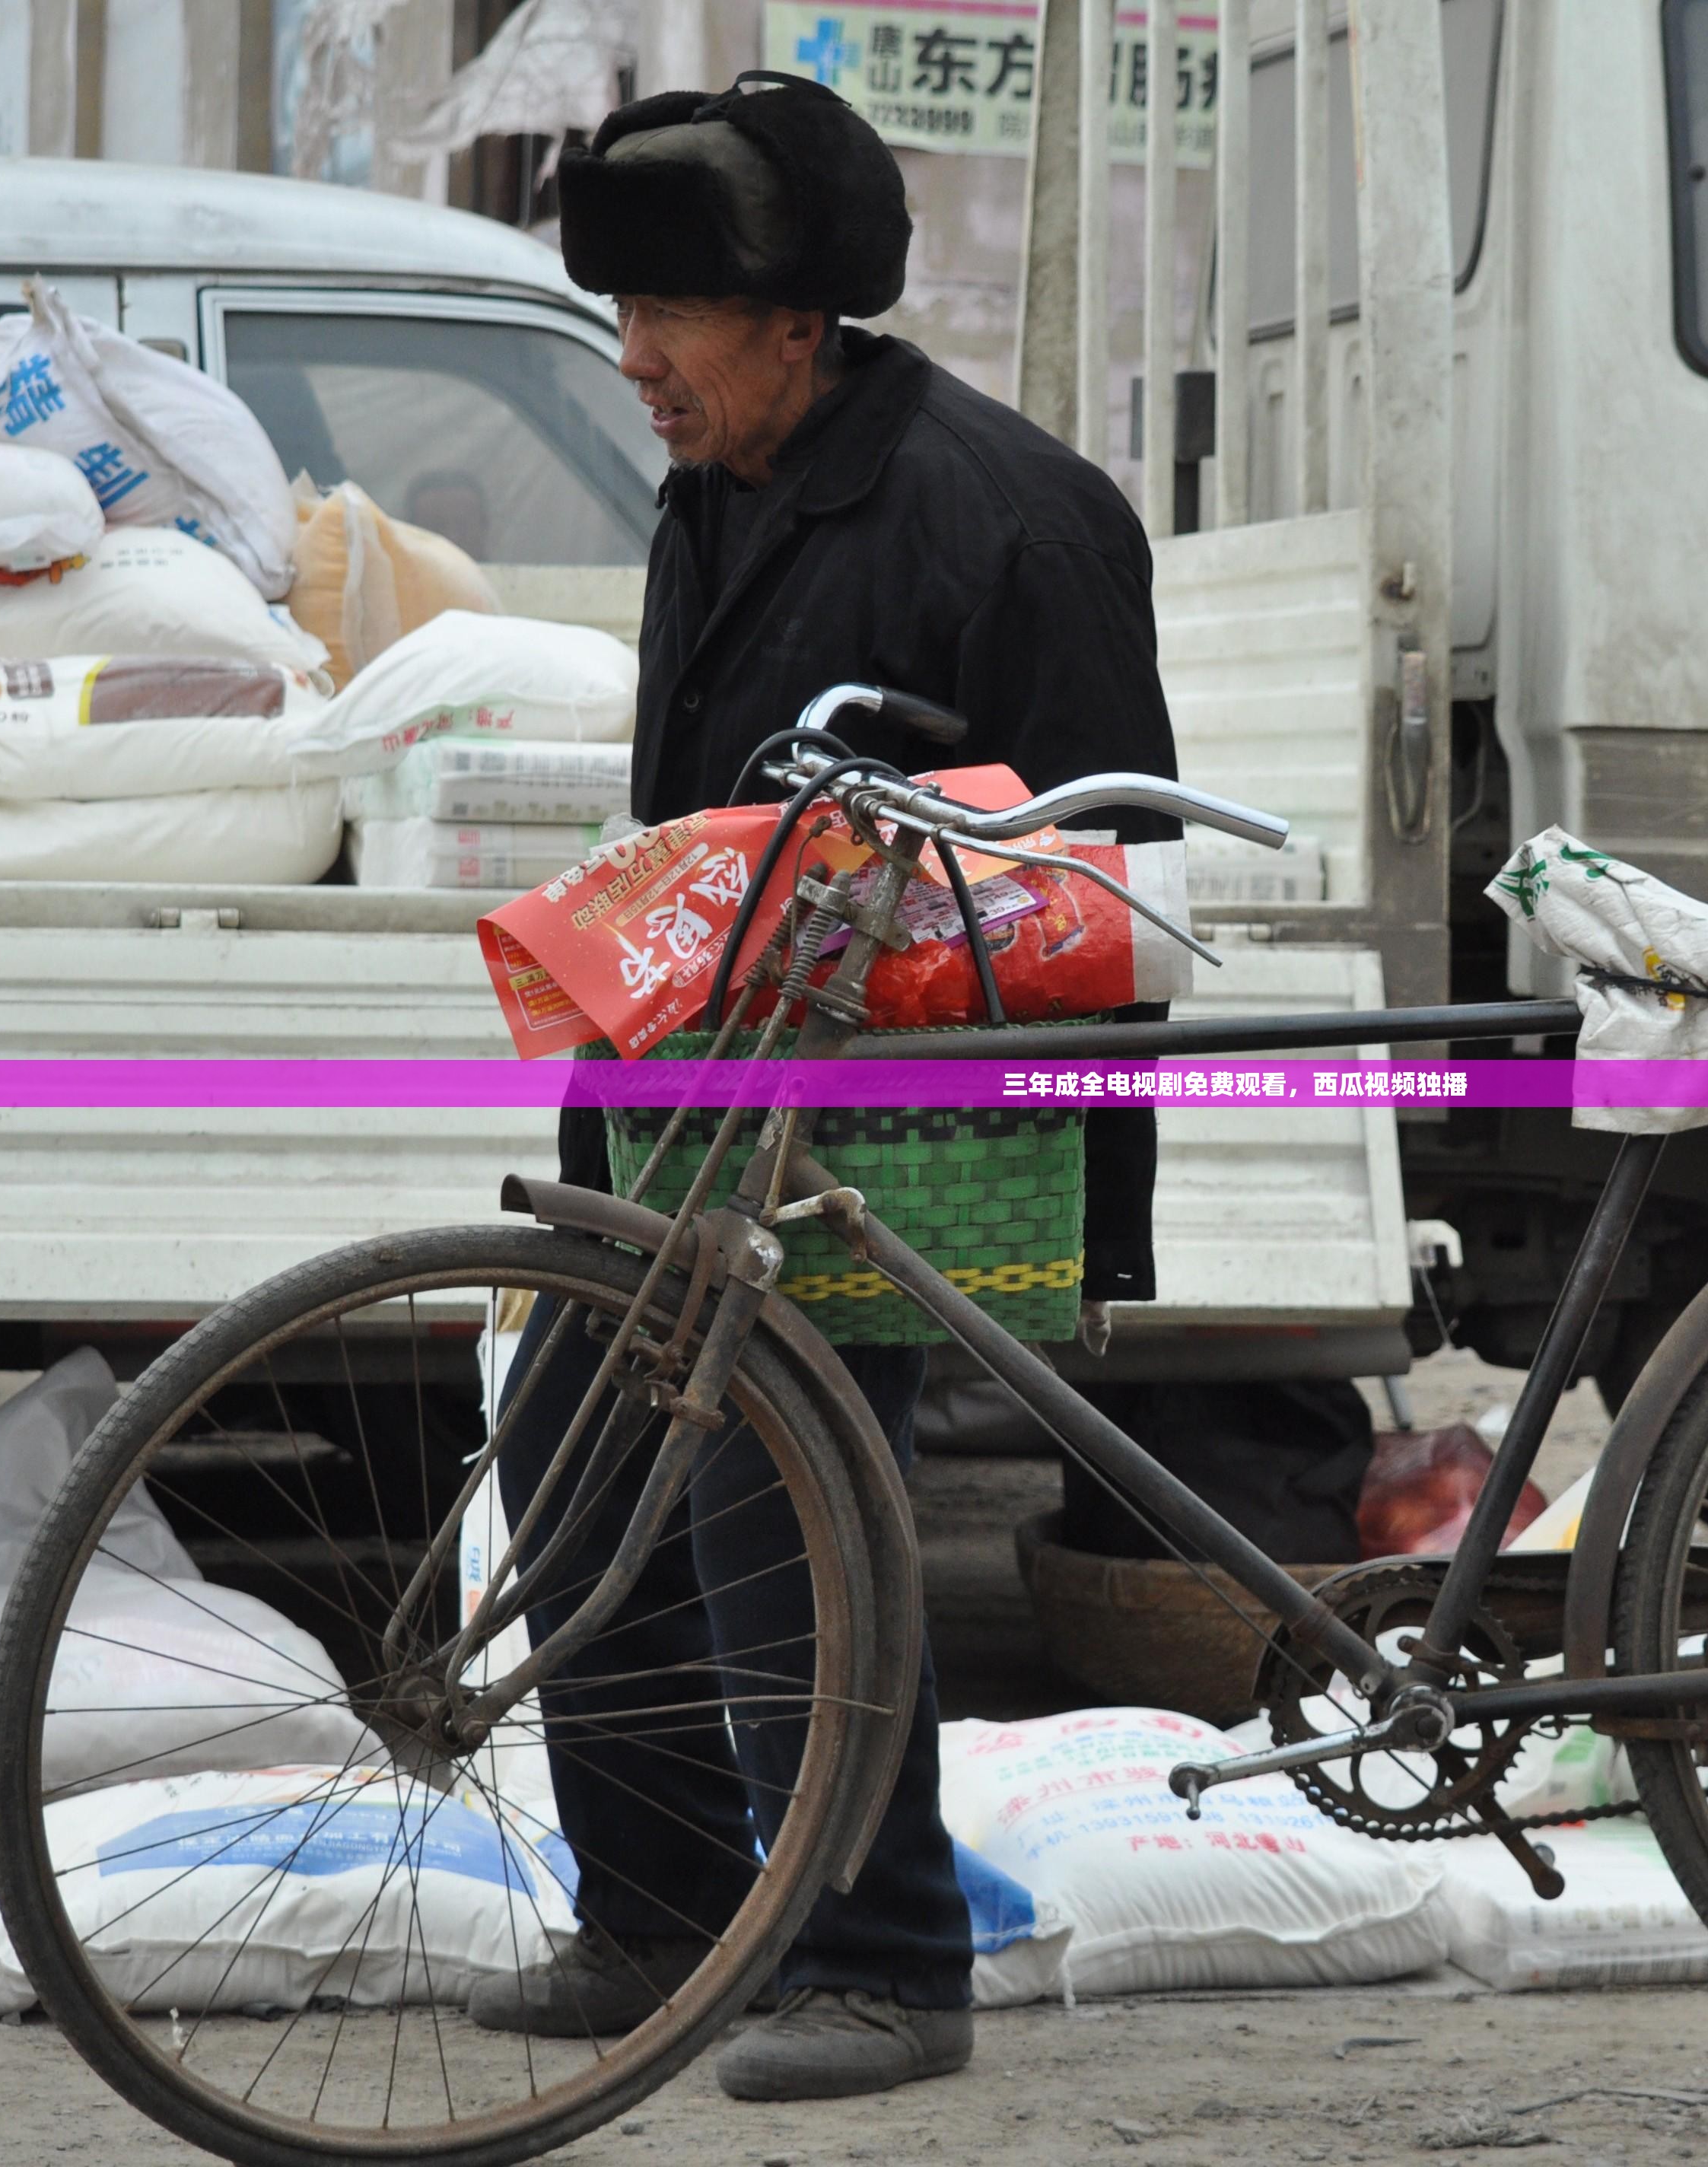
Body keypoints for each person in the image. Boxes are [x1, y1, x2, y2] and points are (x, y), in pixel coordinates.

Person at [462, 72, 1180, 2104]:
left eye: (665, 319)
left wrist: (1080, 1191)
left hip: (920, 1119)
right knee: (575, 1444)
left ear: (796, 322)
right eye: (619, 315)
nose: (634, 365)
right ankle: (665, 1915)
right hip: (697, 1095)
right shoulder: (717, 491)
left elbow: (1109, 896)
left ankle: (882, 1962)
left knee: (783, 1490)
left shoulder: (1010, 518)